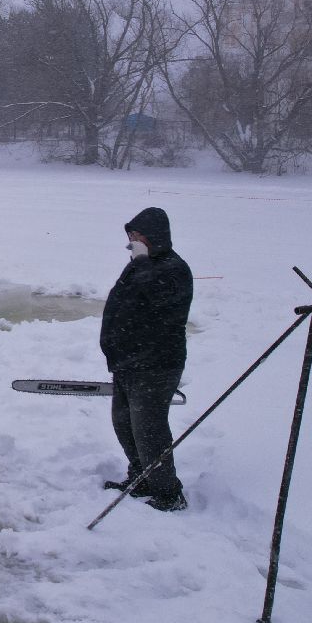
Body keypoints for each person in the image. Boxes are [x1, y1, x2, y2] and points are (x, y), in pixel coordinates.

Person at [99, 207, 193, 512]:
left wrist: (140, 262)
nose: (132, 241)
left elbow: (156, 298)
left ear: (154, 236)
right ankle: (142, 477)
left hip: (156, 364)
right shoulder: (141, 265)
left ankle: (168, 493)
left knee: (149, 430)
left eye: (137, 236)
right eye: (131, 236)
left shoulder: (173, 268)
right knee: (124, 424)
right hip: (129, 362)